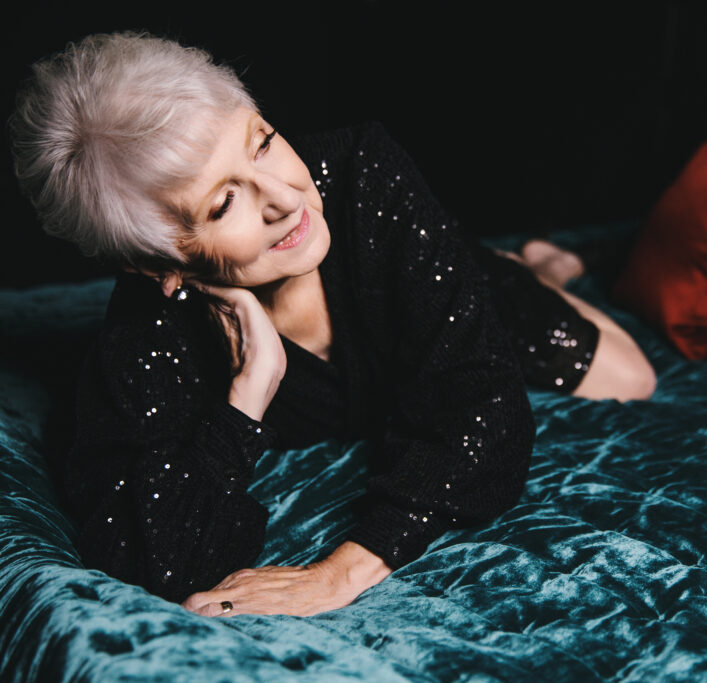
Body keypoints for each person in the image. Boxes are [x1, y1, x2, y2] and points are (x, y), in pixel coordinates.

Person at [9, 32, 656, 618]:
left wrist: (341, 571)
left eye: (262, 141)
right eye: (225, 202)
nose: (286, 198)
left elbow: (484, 406)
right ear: (154, 264)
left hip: (439, 280)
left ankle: (528, 269)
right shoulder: (146, 328)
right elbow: (156, 560)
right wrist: (245, 399)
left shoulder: (363, 173)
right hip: (348, 320)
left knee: (633, 378)